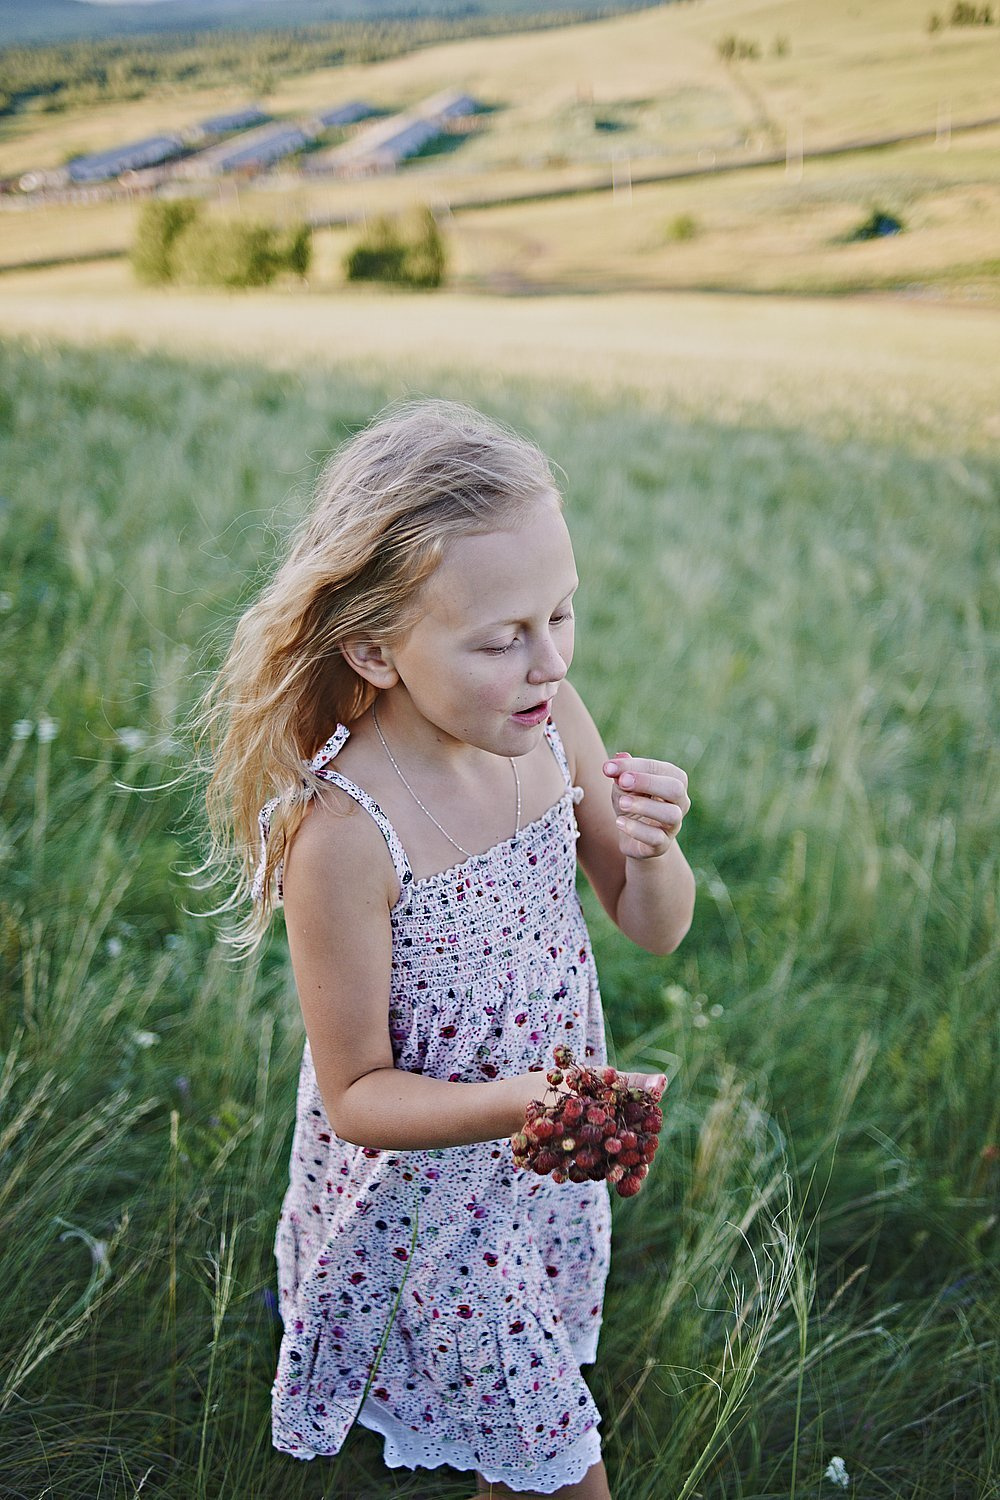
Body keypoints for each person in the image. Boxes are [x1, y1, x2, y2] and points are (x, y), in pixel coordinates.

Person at [202, 400, 695, 1499]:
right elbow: (357, 1095)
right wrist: (523, 1100)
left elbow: (651, 925)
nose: (547, 660)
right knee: (561, 1462)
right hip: (429, 1205)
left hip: (538, 1161)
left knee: (515, 1425)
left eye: (561, 616)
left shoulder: (550, 716)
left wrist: (657, 850)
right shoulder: (344, 836)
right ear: (375, 650)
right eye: (501, 637)